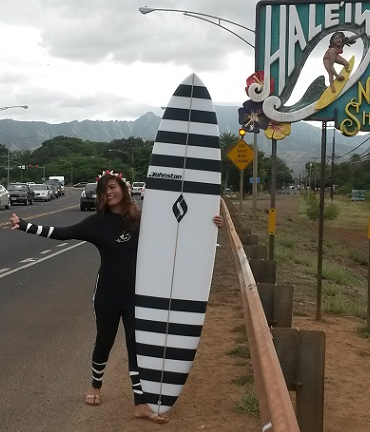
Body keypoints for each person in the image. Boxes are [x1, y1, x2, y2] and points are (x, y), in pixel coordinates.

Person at [10, 171, 224, 424]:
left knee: (136, 346)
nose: (108, 193)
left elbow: (174, 230)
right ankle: (95, 387)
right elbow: (62, 232)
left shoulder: (139, 219)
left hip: (135, 295)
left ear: (122, 188)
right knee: (104, 342)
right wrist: (25, 225)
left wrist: (209, 224)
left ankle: (141, 404)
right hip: (107, 295)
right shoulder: (96, 222)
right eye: (103, 191)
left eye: (112, 187)